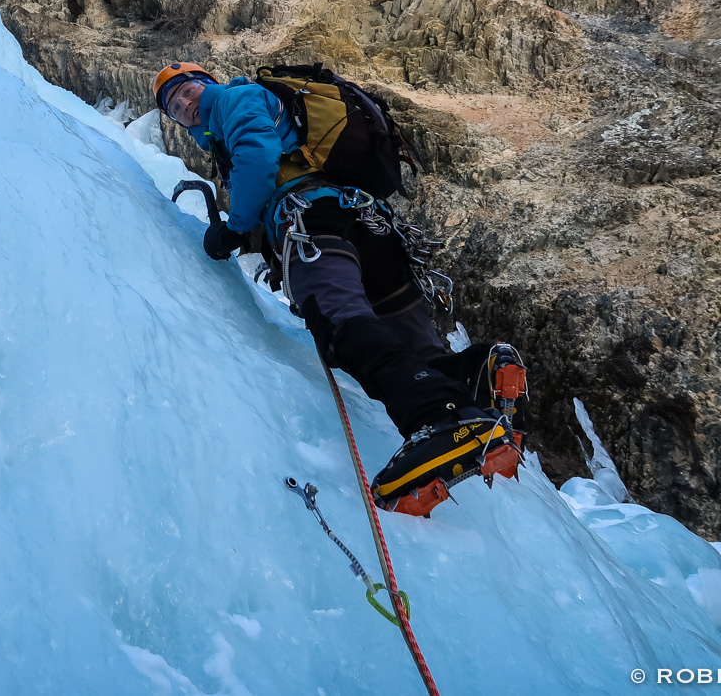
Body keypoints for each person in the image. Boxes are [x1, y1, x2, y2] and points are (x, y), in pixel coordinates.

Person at [154, 60, 527, 512]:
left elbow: (257, 157)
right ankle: (479, 371)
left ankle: (441, 419)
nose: (186, 105)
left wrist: (235, 229)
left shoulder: (234, 99)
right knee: (412, 347)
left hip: (314, 225)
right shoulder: (257, 107)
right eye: (174, 107)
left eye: (187, 91)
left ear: (206, 84)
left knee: (342, 326)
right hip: (372, 232)